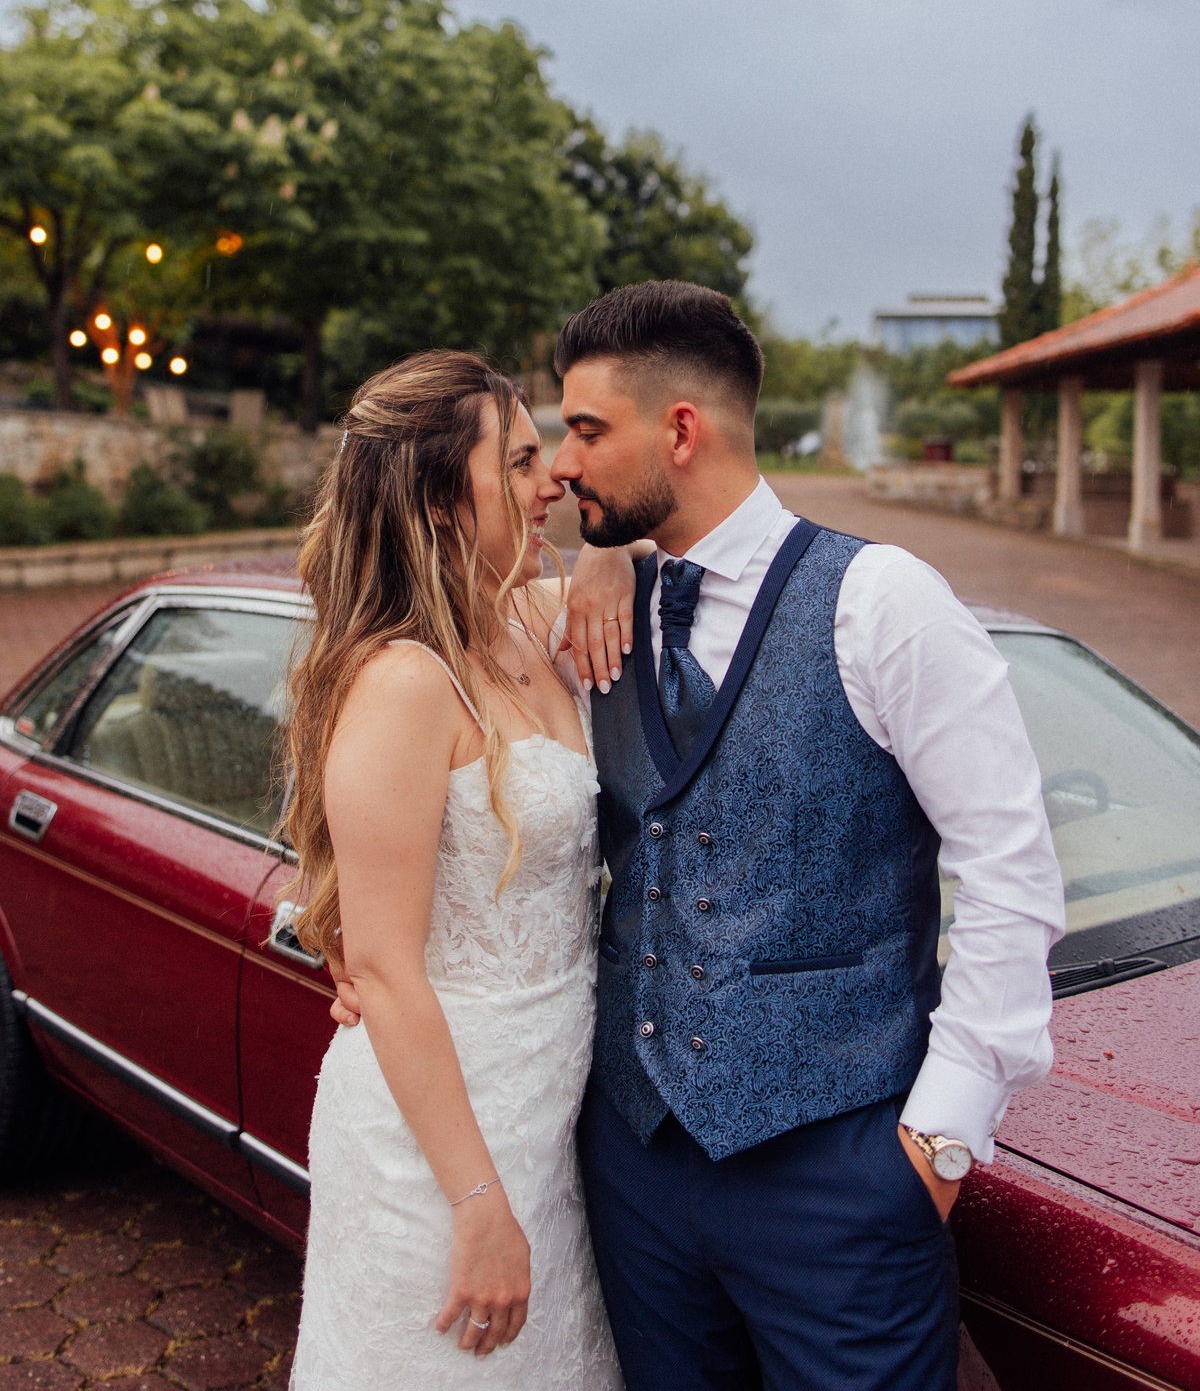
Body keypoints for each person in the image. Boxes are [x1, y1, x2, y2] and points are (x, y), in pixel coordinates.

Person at [545, 281, 1066, 1391]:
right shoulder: (605, 606)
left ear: (679, 429)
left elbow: (1012, 871)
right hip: (634, 1164)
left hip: (839, 1177)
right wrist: (605, 552)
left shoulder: (884, 602)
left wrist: (939, 1142)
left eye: (586, 431)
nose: (561, 464)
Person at [285, 350, 623, 1390]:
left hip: (548, 1113)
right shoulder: (401, 682)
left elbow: (677, 551)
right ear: (440, 500)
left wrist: (617, 553)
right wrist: (477, 1206)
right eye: (521, 462)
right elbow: (384, 968)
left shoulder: (523, 623)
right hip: (440, 1144)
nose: (552, 479)